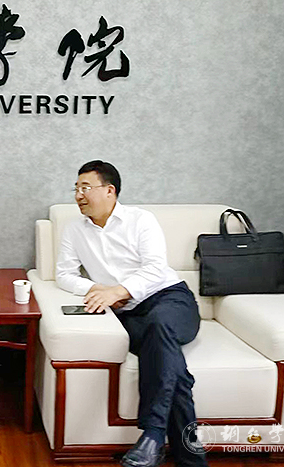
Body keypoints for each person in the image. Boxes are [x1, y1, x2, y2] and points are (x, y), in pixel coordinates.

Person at [56, 160, 207, 467]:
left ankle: (152, 435)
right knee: (173, 370)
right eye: (76, 188)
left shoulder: (141, 220)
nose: (78, 195)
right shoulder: (74, 230)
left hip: (170, 299)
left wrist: (119, 291)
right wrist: (99, 288)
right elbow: (64, 275)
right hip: (129, 314)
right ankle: (189, 459)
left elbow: (155, 268)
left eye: (86, 187)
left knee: (160, 325)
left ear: (109, 190)